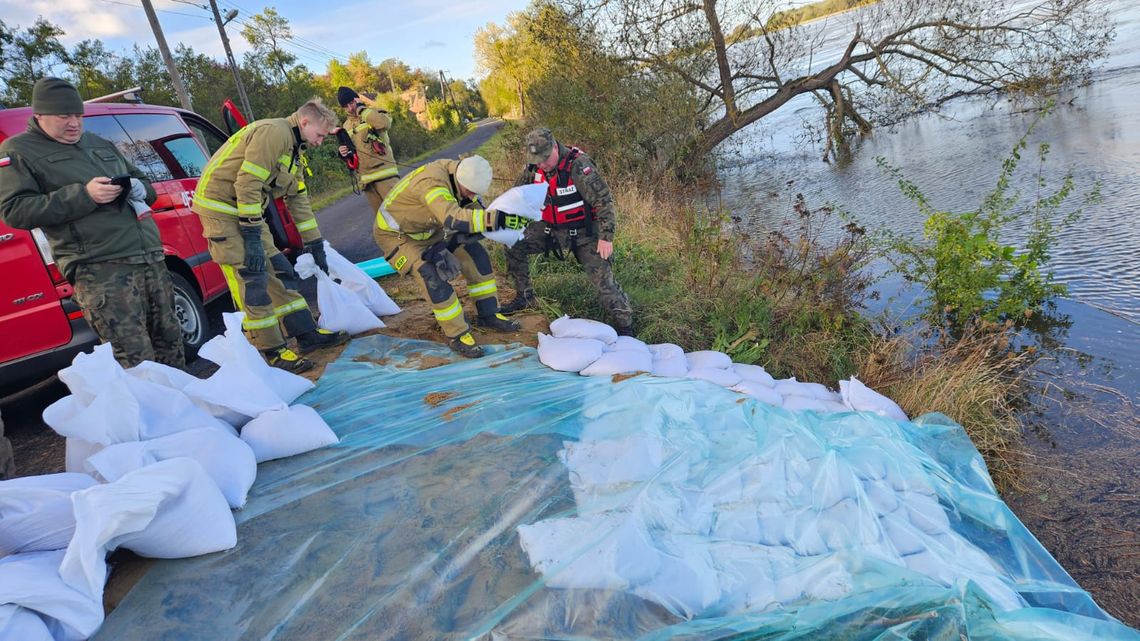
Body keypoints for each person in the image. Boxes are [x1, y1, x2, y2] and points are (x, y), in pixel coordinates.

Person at [0, 77, 186, 369]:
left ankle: (184, 412)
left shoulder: (98, 143)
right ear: (39, 115)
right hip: (101, 270)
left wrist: (140, 188)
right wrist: (84, 195)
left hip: (149, 257)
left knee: (171, 345)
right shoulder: (19, 151)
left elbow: (146, 184)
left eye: (78, 115)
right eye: (64, 116)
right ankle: (149, 415)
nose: (74, 123)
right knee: (135, 360)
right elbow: (15, 210)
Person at [192, 98, 348, 373]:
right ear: (304, 121)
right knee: (252, 277)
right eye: (320, 135)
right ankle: (272, 351)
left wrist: (315, 243)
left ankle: (306, 334)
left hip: (246, 211)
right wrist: (253, 236)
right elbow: (247, 183)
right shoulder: (273, 133)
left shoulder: (294, 149)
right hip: (222, 210)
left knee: (280, 269)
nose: (320, 142)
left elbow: (298, 198)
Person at [374, 155, 528, 358]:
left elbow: (475, 214)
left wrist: (499, 223)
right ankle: (457, 334)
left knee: (476, 255)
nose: (472, 197)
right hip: (398, 237)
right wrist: (498, 219)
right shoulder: (432, 183)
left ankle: (488, 313)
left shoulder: (464, 177)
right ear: (460, 181)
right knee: (431, 275)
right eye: (470, 192)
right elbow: (452, 217)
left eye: (476, 194)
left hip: (429, 230)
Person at [500, 127, 634, 336]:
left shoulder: (579, 165)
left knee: (604, 282)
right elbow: (517, 194)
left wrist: (606, 237)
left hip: (584, 233)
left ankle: (625, 325)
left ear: (555, 147)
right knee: (512, 243)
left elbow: (604, 201)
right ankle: (524, 296)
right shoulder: (534, 168)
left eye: (545, 158)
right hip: (550, 230)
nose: (542, 164)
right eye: (537, 160)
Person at [336, 87, 399, 212]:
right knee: (383, 222)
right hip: (367, 182)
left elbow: (384, 124)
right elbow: (351, 153)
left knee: (399, 213)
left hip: (386, 176)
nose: (350, 108)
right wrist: (343, 153)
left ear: (357, 99)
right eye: (346, 106)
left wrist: (361, 109)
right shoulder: (346, 126)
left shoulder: (373, 112)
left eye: (351, 103)